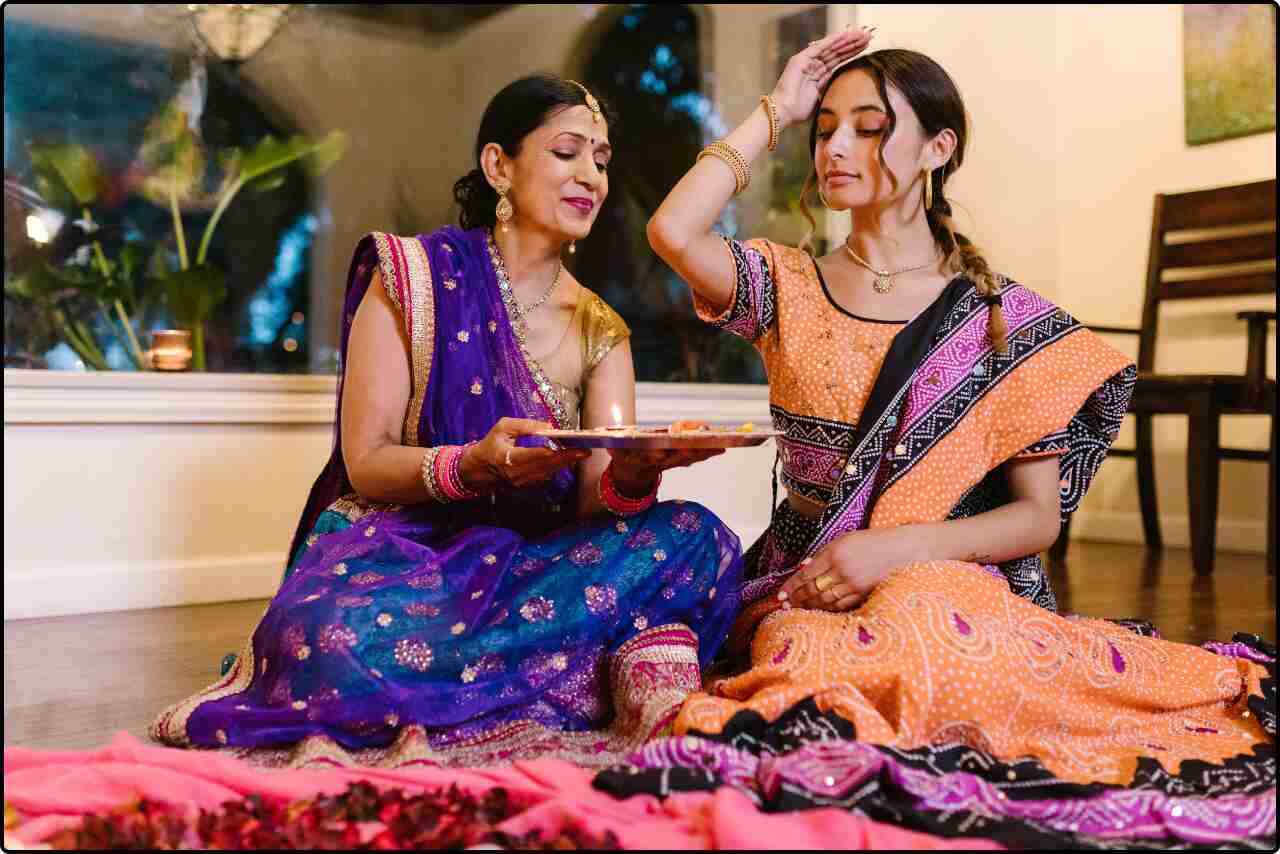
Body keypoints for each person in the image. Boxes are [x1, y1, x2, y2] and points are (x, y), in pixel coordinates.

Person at [632, 29, 1274, 847]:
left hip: (951, 576)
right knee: (817, 680)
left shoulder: (1003, 318)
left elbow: (1036, 520)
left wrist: (894, 551)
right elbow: (673, 232)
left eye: (868, 126)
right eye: (824, 126)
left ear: (938, 147)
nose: (834, 146)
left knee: (929, 626)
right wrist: (775, 108)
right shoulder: (787, 285)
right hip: (811, 579)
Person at [152, 74, 744, 768]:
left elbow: (596, 504)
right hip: (409, 556)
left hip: (539, 566)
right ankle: (573, 672)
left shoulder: (599, 327)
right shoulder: (412, 276)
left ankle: (497, 674)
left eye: (602, 159)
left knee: (697, 538)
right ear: (499, 165)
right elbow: (367, 457)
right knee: (326, 633)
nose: (592, 175)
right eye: (568, 152)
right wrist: (473, 463)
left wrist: (636, 472)